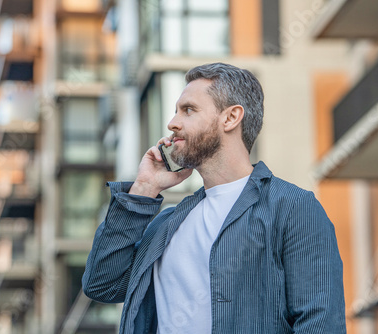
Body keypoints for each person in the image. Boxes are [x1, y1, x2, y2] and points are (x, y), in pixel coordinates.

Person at [82, 63, 346, 333]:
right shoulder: (166, 226)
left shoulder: (292, 208)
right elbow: (102, 285)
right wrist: (143, 189)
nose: (173, 123)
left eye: (188, 110)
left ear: (230, 118)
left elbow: (321, 324)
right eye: (176, 111)